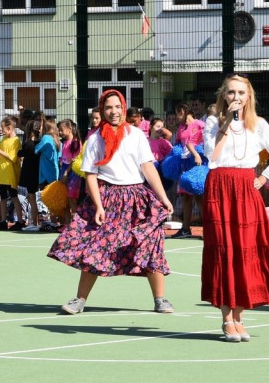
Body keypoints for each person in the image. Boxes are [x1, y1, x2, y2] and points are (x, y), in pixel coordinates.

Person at [48, 90, 174, 315]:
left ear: (123, 108)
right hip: (108, 198)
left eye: (117, 107)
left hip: (138, 198)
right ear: (102, 110)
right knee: (94, 247)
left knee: (151, 245)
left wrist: (163, 198)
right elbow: (91, 175)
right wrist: (97, 205)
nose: (113, 112)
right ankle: (80, 300)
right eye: (108, 108)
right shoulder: (96, 137)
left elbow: (147, 168)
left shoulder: (135, 134)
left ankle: (160, 299)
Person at [201, 75, 269, 342]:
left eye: (241, 93)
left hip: (246, 188)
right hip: (219, 188)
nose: (236, 97)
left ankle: (239, 316)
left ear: (249, 97)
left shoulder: (260, 125)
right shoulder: (212, 122)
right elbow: (212, 156)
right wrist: (225, 123)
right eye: (231, 93)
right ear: (223, 96)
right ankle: (226, 318)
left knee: (244, 251)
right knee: (224, 251)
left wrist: (263, 179)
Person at [172, 101, 204, 238]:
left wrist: (198, 153)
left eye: (178, 113)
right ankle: (185, 228)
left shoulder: (200, 125)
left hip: (197, 163)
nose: (176, 117)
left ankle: (208, 228)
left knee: (200, 197)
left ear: (183, 112)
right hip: (185, 164)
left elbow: (207, 140)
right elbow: (179, 143)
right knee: (186, 197)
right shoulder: (181, 128)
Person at [0, 116, 22, 229]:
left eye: (3, 128)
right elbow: (0, 154)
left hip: (10, 173)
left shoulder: (16, 141)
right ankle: (2, 220)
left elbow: (12, 157)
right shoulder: (4, 139)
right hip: (1, 172)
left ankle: (20, 220)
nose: (2, 130)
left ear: (10, 128)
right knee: (3, 197)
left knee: (14, 196)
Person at [18, 112, 45, 231]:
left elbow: (20, 153)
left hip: (29, 173)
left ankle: (34, 223)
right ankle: (34, 222)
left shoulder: (28, 144)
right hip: (36, 173)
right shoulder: (40, 143)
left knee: (32, 198)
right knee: (31, 197)